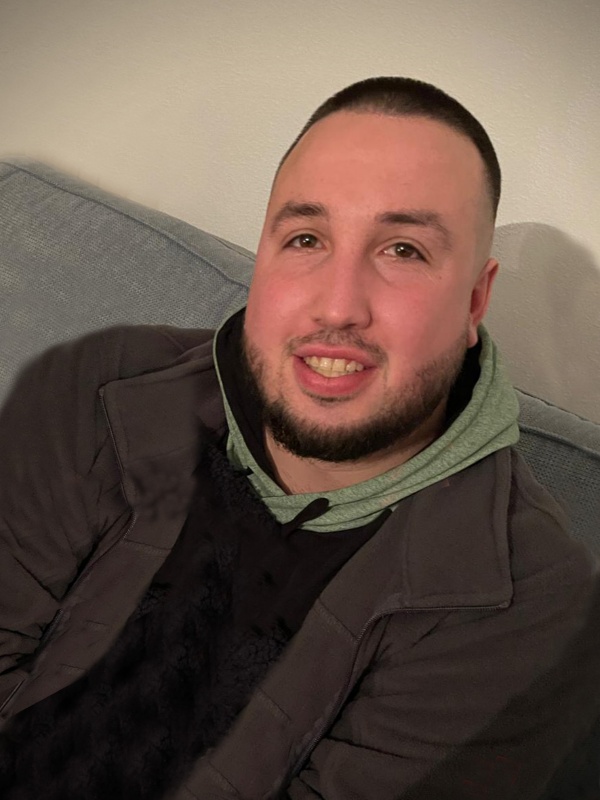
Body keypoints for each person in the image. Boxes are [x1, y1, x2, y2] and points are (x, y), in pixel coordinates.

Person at [0, 77, 598, 800]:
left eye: (403, 250)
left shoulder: (528, 606)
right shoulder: (101, 382)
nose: (337, 307)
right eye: (306, 239)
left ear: (475, 300)